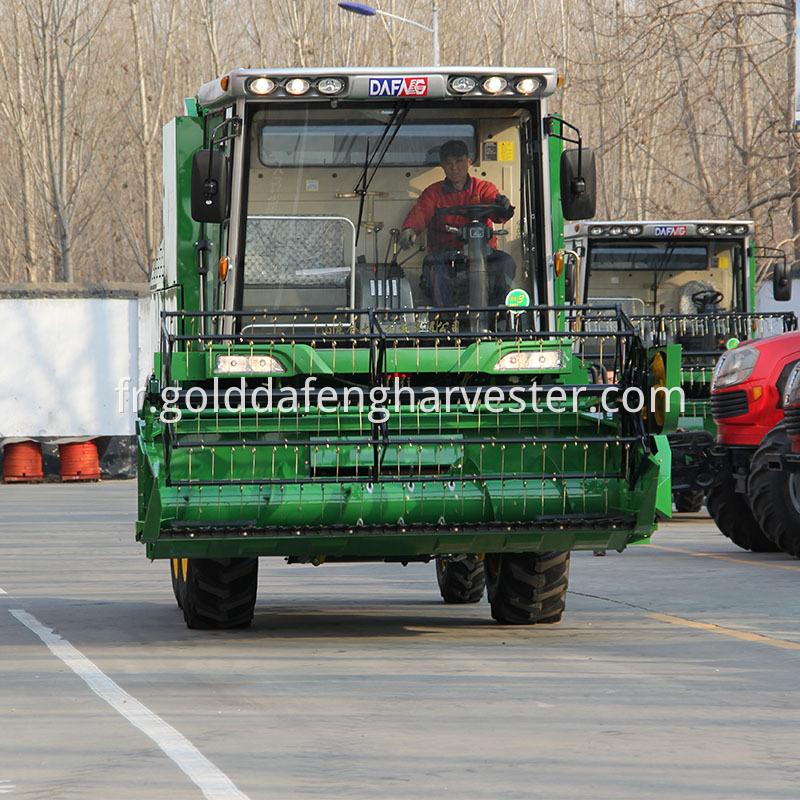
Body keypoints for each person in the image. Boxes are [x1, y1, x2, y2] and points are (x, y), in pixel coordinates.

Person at [397, 139, 516, 307]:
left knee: (506, 262)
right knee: (435, 264)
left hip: (484, 252)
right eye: (448, 163)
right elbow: (420, 213)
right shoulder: (433, 193)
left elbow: (497, 208)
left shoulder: (483, 188)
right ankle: (446, 316)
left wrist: (502, 205)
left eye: (459, 161)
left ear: (468, 162)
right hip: (446, 252)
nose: (454, 168)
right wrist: (409, 229)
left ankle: (497, 312)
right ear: (442, 166)